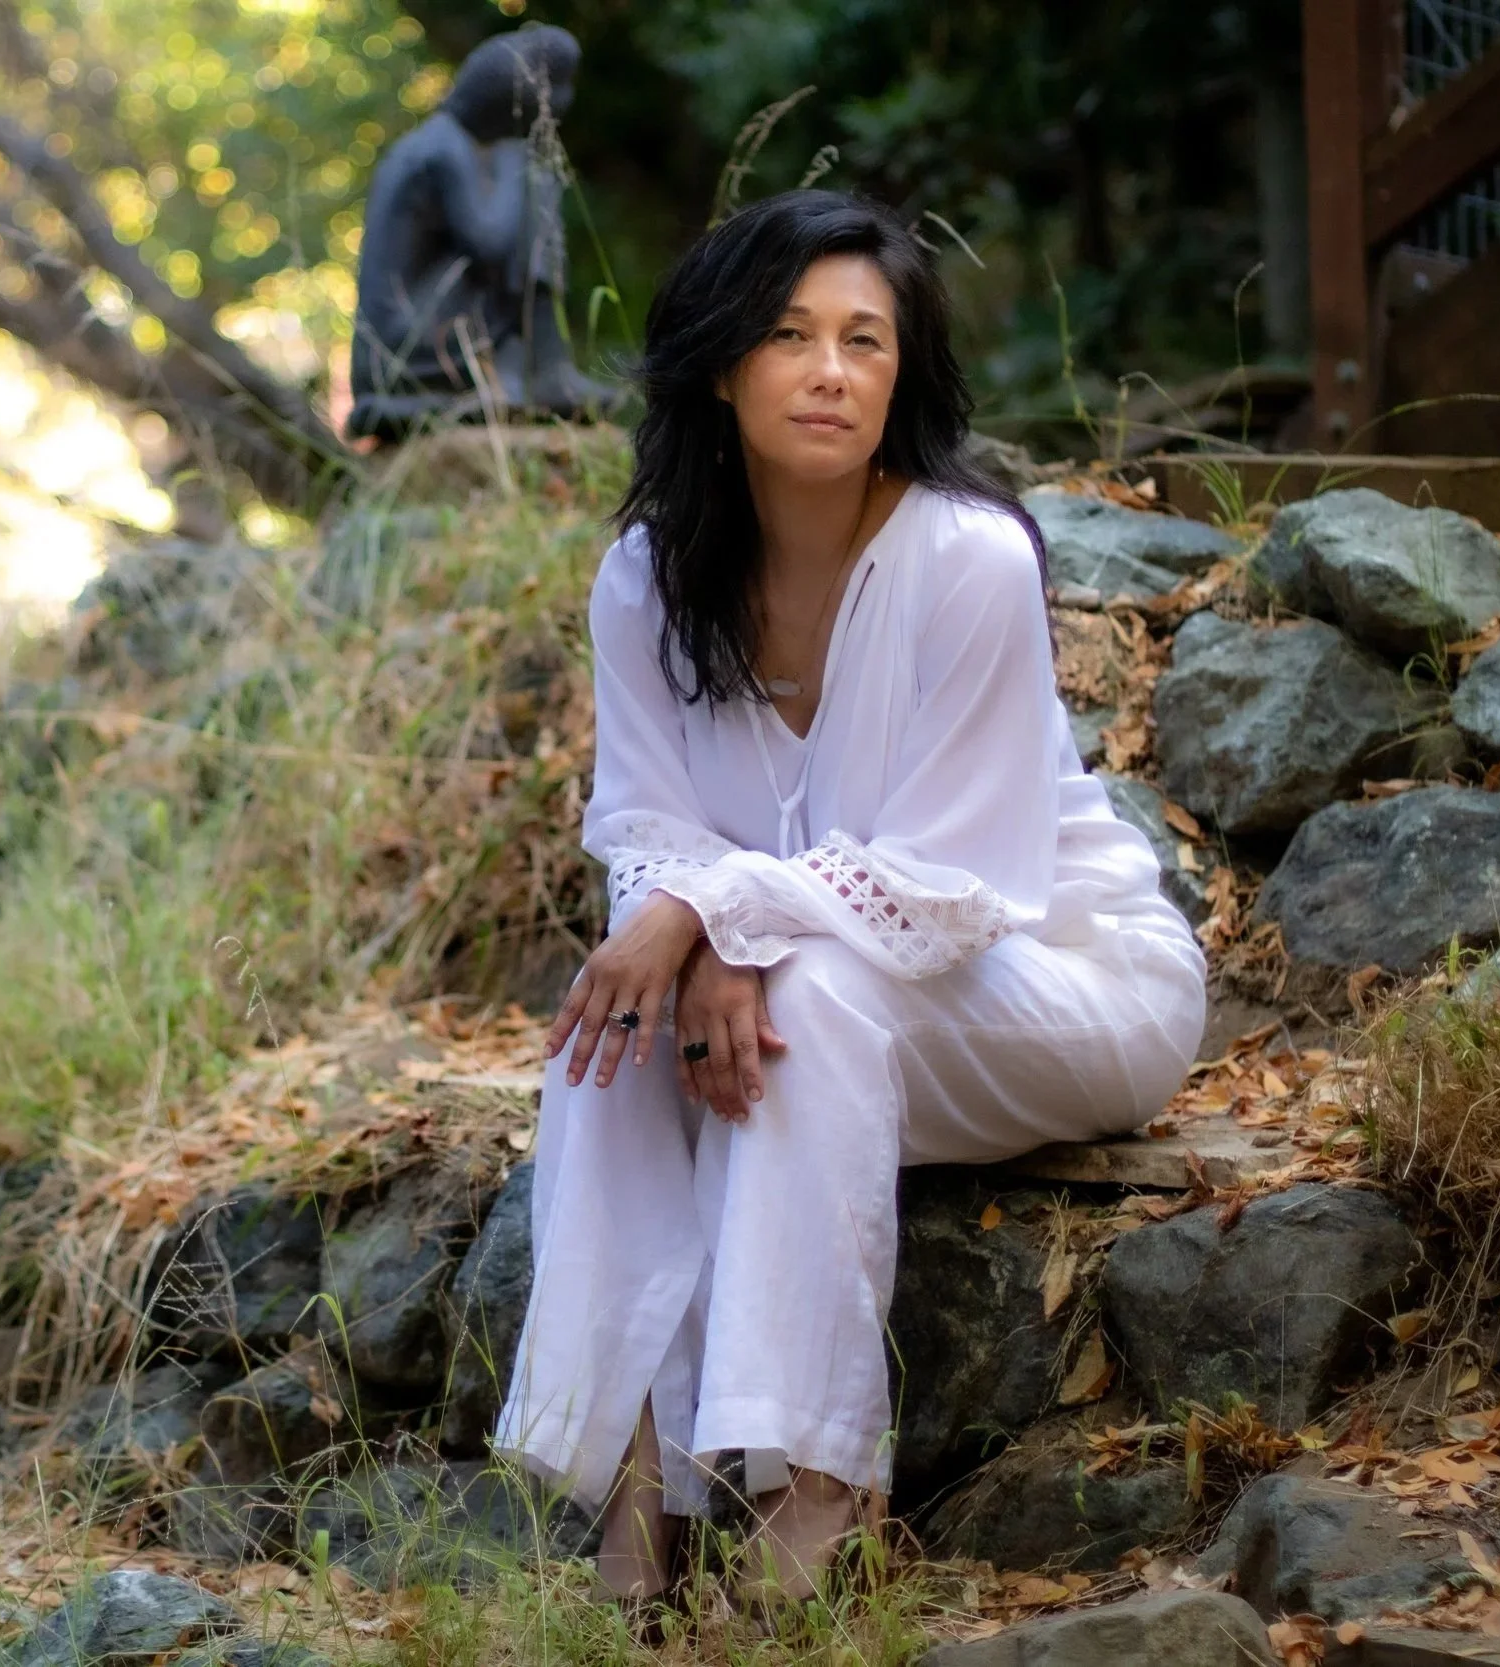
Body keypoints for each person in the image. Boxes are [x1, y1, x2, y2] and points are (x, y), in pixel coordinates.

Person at [490, 191, 1209, 1615]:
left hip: (1063, 978)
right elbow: (645, 822)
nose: (830, 369)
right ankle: (638, 1500)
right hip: (843, 977)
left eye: (864, 340)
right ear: (719, 363)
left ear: (902, 372)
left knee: (805, 1001)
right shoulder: (646, 578)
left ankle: (812, 1496)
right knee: (612, 1032)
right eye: (790, 334)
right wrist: (688, 926)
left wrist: (715, 917)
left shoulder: (970, 559)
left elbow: (951, 884)